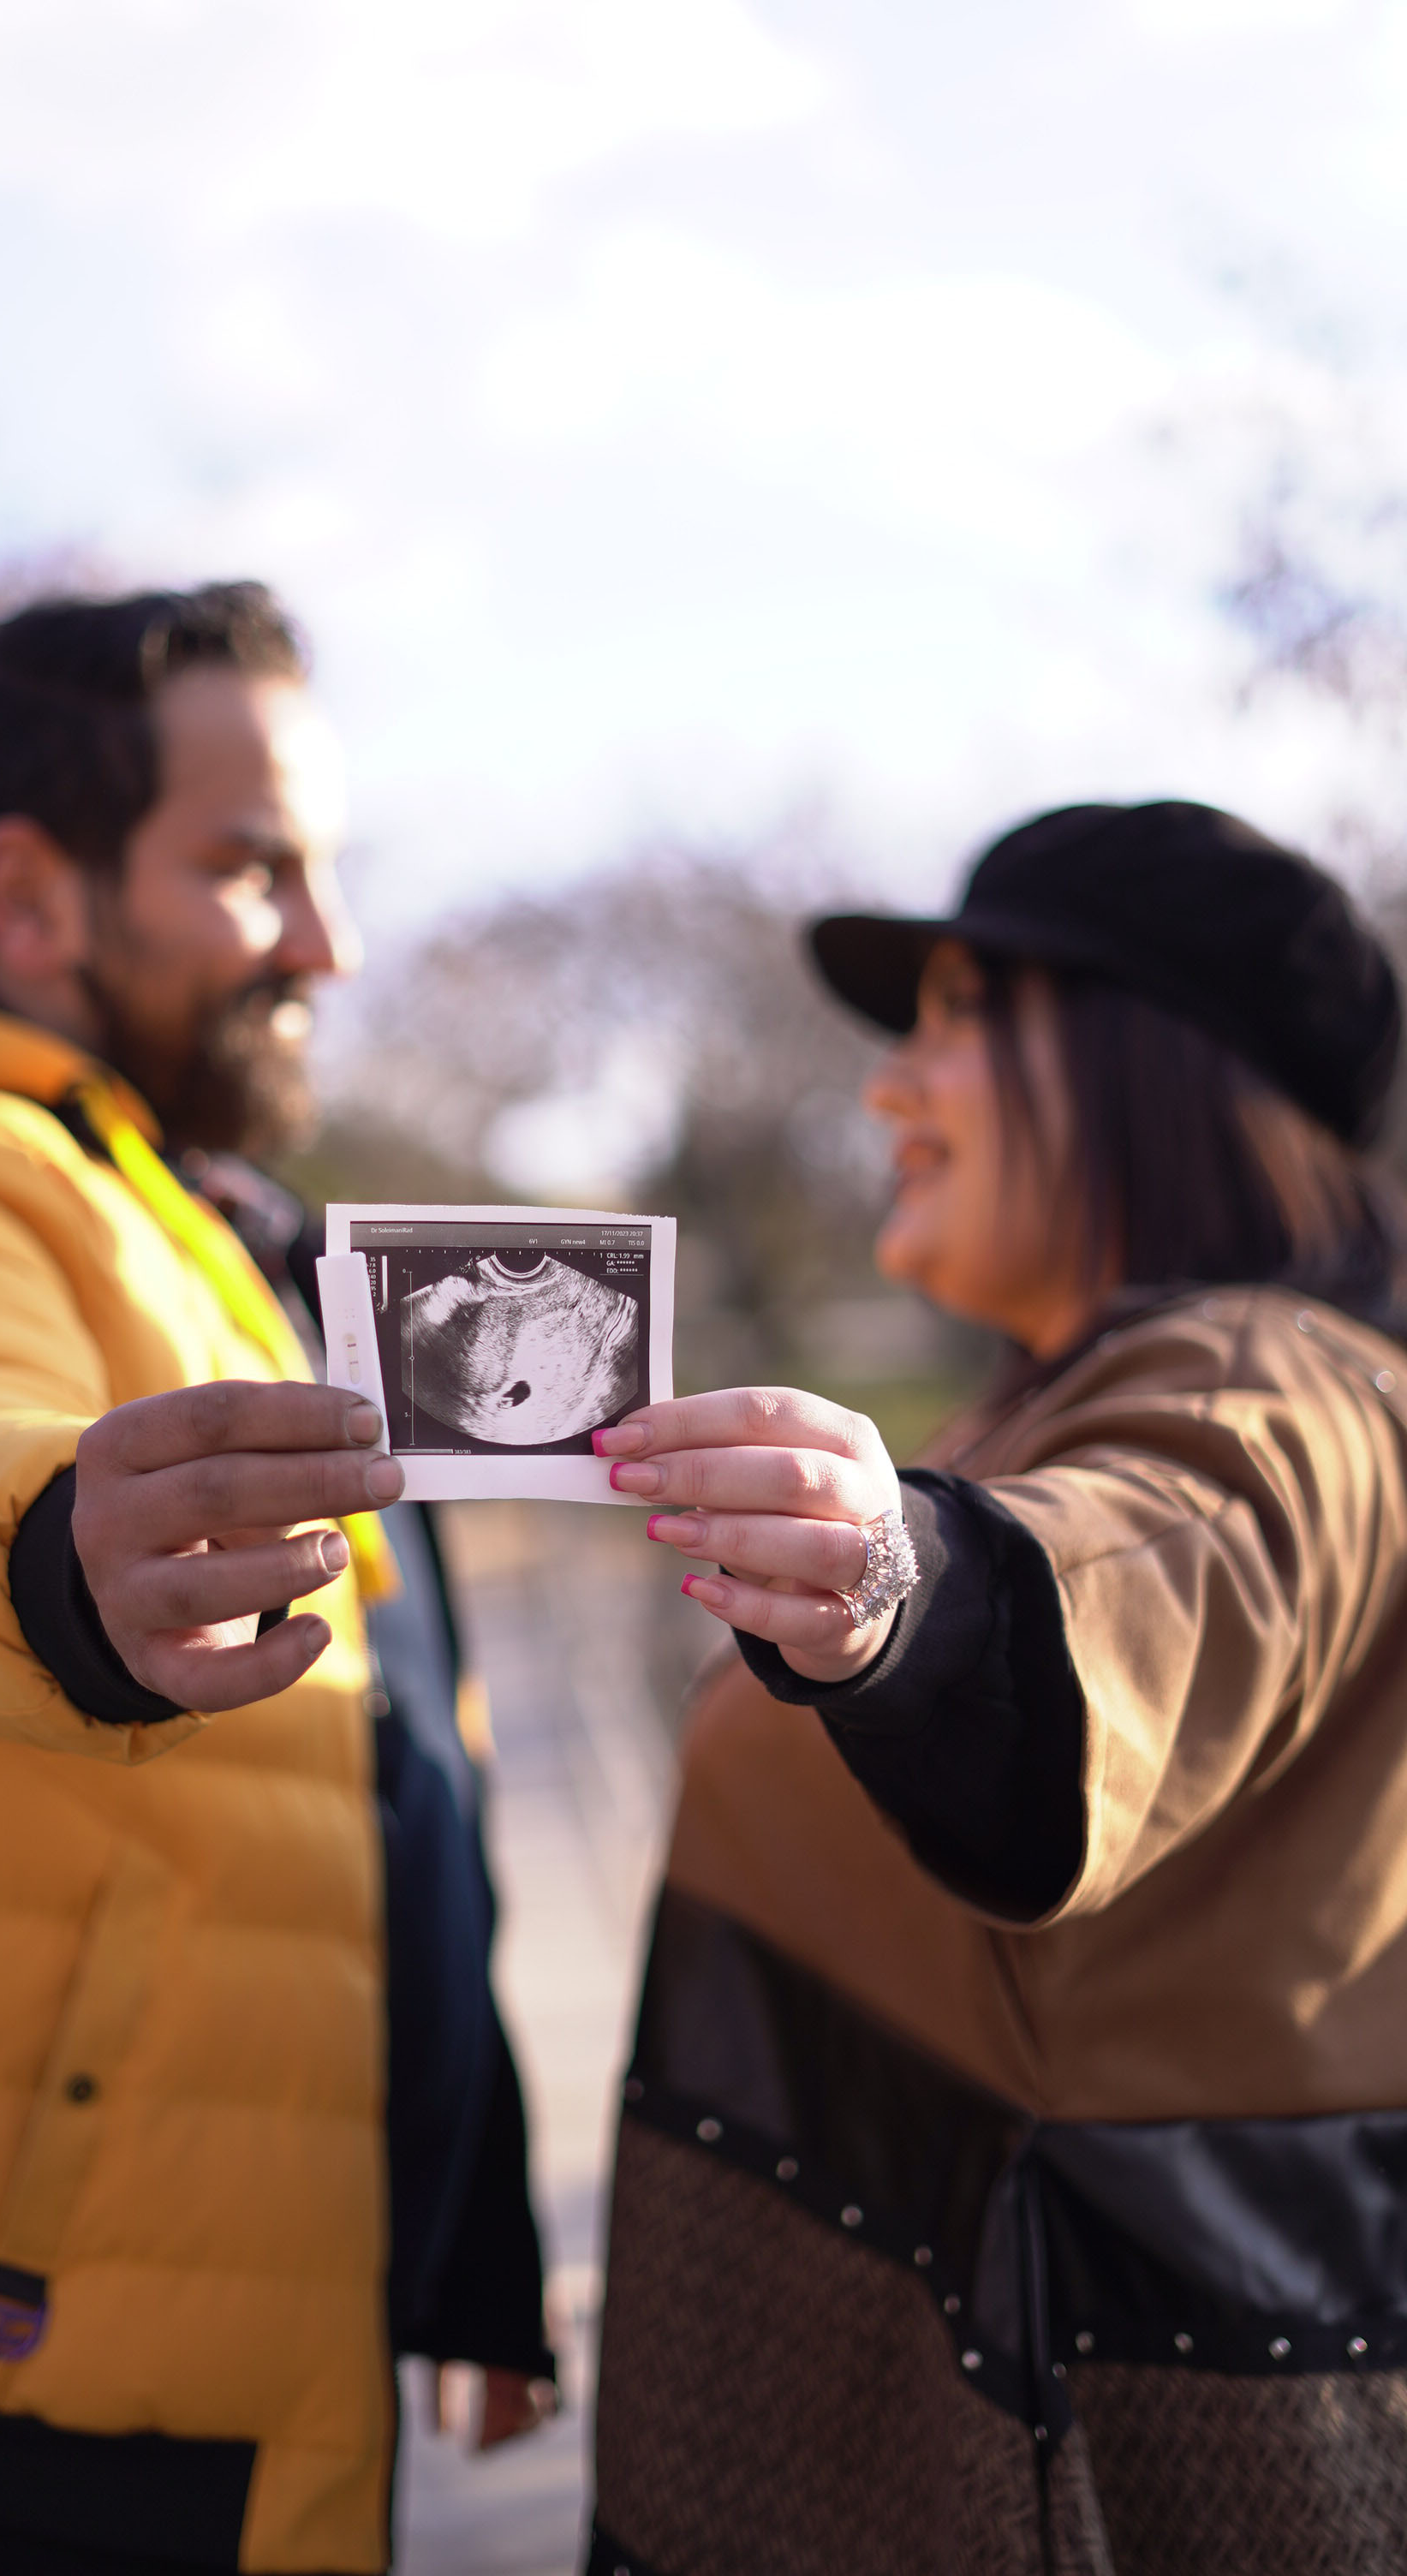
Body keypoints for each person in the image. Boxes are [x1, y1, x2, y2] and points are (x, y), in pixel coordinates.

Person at [0, 582, 553, 2576]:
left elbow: (394, 1768)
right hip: (11, 2396)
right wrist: (51, 1555)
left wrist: (469, 2229)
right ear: (30, 895)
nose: (329, 942)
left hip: (231, 2330)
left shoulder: (198, 1212)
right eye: (254, 869)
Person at [586, 801, 1407, 2576]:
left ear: (1151, 1064)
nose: (890, 1084)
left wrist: (913, 1580)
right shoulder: (1049, 1396)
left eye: (960, 1016)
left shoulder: (1284, 1383)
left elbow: (1148, 1566)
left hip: (1079, 2478)